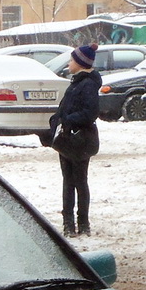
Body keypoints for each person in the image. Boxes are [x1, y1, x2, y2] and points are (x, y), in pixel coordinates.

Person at [47, 43, 101, 236]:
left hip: (79, 140)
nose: (69, 63)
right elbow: (64, 108)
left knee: (79, 182)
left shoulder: (87, 85)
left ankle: (82, 223)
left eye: (71, 60)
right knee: (68, 182)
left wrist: (68, 120)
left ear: (80, 63)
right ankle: (68, 224)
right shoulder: (76, 82)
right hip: (67, 140)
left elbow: (90, 112)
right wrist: (56, 120)